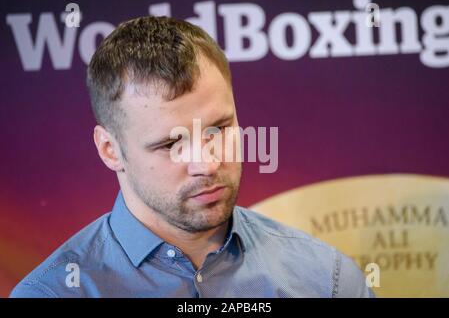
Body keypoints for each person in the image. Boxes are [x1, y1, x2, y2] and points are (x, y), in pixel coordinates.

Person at [10, 16, 373, 298]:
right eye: (171, 145)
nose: (209, 163)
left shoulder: (326, 279)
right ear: (110, 150)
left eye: (219, 129)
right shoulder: (53, 291)